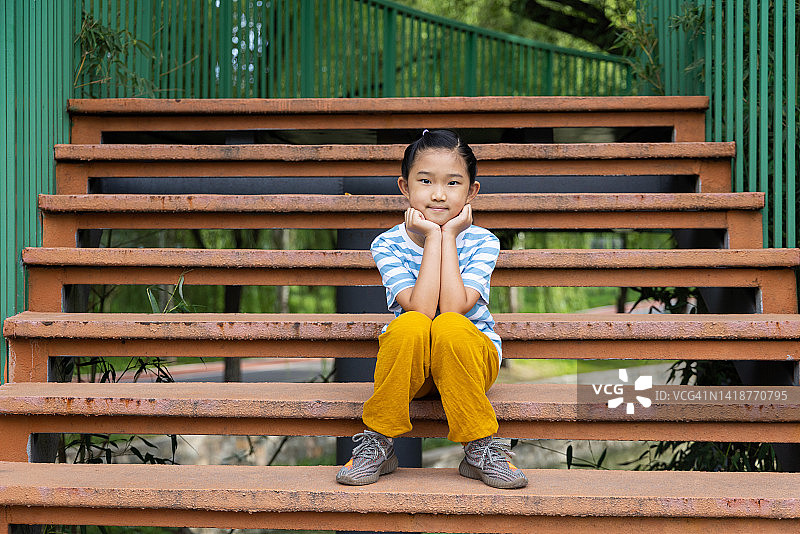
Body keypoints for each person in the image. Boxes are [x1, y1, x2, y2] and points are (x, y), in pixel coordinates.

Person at [335, 129, 528, 489]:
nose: (439, 194)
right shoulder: (387, 244)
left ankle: (480, 447)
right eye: (425, 181)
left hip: (472, 361)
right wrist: (433, 237)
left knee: (449, 325)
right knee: (410, 325)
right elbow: (421, 309)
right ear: (405, 187)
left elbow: (454, 308)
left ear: (471, 192)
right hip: (415, 369)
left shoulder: (483, 241)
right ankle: (378, 444)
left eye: (453, 183)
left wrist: (447, 235)